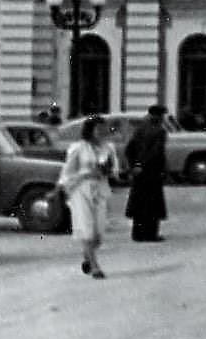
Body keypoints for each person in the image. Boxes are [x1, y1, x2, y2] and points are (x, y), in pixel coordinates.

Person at [57, 114, 115, 278]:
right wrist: (64, 186)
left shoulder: (108, 148)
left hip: (100, 189)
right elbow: (67, 171)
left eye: (104, 129)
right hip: (81, 190)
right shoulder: (78, 148)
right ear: (90, 130)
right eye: (98, 129)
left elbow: (114, 170)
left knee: (98, 232)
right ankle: (95, 266)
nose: (102, 132)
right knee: (86, 227)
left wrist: (108, 170)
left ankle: (87, 254)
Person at [124, 104, 170, 243]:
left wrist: (135, 166)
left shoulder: (140, 128)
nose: (163, 119)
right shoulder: (160, 131)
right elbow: (156, 153)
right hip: (152, 172)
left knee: (139, 204)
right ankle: (151, 234)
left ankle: (137, 234)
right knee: (152, 205)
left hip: (139, 174)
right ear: (158, 116)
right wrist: (162, 169)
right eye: (162, 116)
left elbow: (129, 149)